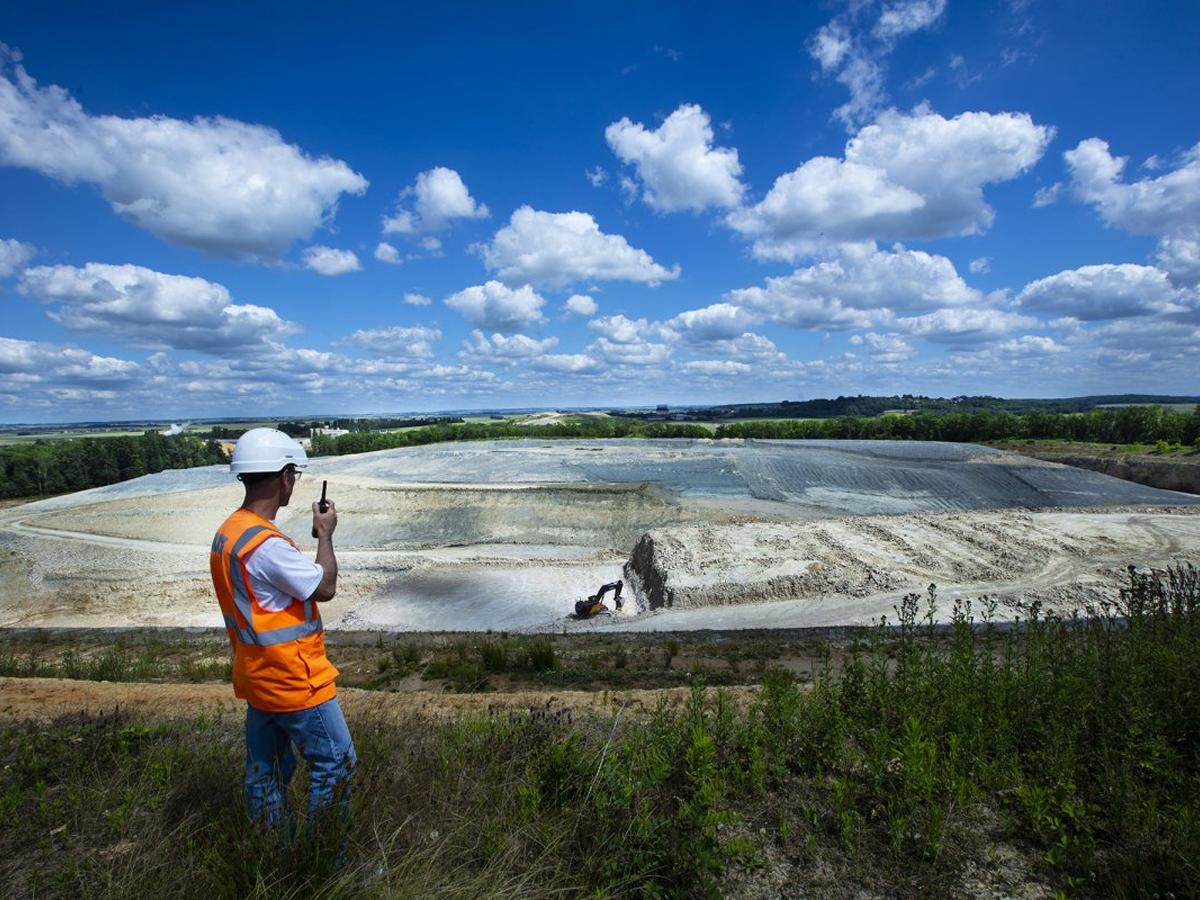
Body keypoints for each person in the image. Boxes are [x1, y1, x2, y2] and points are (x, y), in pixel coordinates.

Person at [209, 427, 355, 833]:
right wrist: (325, 535)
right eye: (294, 474)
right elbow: (324, 587)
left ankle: (274, 856)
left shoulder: (229, 532)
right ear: (284, 476)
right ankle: (325, 864)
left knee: (266, 773)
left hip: (257, 677)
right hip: (296, 679)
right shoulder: (267, 545)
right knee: (337, 761)